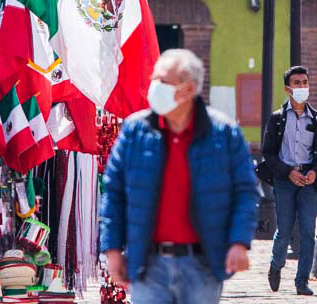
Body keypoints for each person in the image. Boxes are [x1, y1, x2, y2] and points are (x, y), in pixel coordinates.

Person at [100, 49, 259, 304]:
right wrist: (113, 250)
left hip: (202, 265)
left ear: (188, 89)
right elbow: (114, 194)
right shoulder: (134, 131)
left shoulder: (224, 133)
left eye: (163, 81)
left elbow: (246, 193)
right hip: (147, 264)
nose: (154, 87)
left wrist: (239, 242)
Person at [261, 66, 317, 296]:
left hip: (309, 181)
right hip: (284, 179)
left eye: (304, 82)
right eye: (297, 83)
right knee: (285, 229)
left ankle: (302, 281)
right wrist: (287, 172)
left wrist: (315, 172)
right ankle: (276, 264)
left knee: (308, 231)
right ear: (287, 88)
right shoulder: (277, 118)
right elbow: (268, 153)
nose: (302, 87)